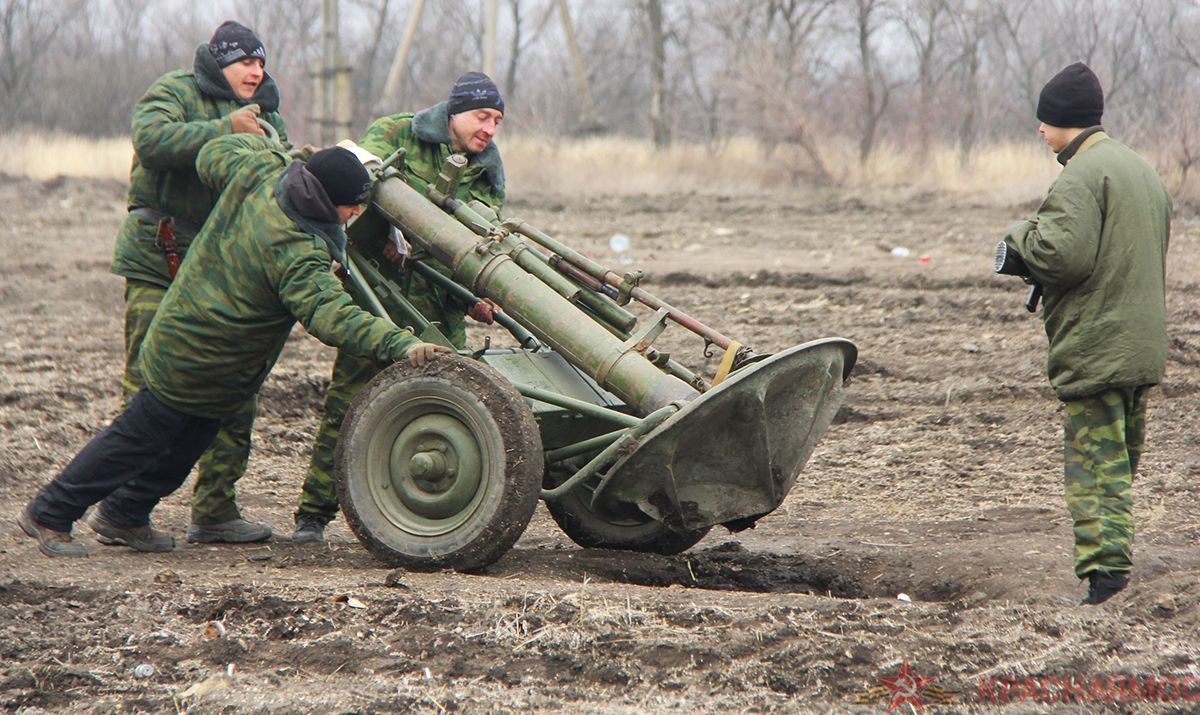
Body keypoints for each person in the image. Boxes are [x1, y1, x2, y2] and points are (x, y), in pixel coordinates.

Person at [17, 137, 449, 558]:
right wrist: (401, 343)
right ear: (326, 199)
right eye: (352, 205)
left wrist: (270, 145)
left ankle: (124, 513)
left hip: (204, 355)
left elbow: (213, 153)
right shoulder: (295, 248)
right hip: (196, 356)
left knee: (186, 444)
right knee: (134, 439)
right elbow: (333, 315)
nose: (357, 213)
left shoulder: (261, 171)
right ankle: (50, 512)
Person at [291, 71, 507, 543]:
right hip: (381, 297)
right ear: (454, 112)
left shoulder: (488, 171)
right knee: (349, 403)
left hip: (440, 313)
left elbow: (480, 240)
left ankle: (435, 515)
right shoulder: (397, 133)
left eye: (497, 120)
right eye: (481, 116)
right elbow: (358, 183)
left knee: (451, 406)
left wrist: (474, 298)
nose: (489, 128)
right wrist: (394, 232)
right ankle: (313, 515)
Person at [995, 62, 1171, 605]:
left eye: (1043, 122)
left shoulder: (1081, 175)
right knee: (1118, 464)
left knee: (1096, 470)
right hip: (1139, 343)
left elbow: (1060, 256)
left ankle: (1106, 579)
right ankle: (1113, 568)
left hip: (1100, 347)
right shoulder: (1139, 169)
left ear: (1063, 122)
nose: (1039, 131)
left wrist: (1019, 236)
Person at [109, 20, 288, 544]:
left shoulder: (269, 115)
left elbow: (281, 175)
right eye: (245, 63)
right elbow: (152, 139)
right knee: (146, 385)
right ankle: (123, 512)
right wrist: (224, 130)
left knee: (233, 387)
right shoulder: (175, 90)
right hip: (158, 257)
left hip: (221, 268)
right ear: (218, 62)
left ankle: (214, 510)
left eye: (261, 62)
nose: (256, 71)